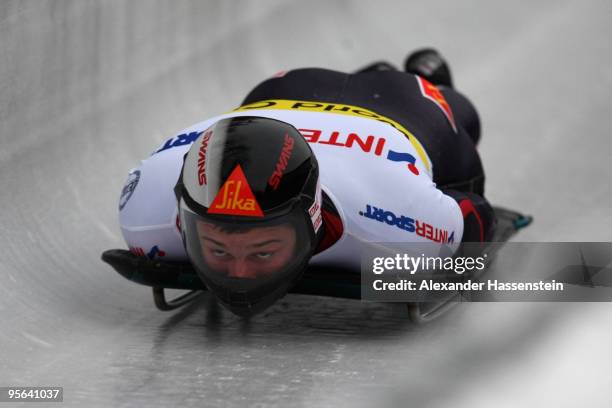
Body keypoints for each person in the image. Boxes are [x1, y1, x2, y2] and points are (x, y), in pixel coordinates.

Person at [118, 49, 496, 316]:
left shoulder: (398, 226)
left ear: (311, 217)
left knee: (465, 118)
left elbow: (478, 215)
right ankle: (379, 75)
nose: (238, 276)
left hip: (405, 105)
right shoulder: (146, 207)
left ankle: (426, 80)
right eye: (217, 250)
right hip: (280, 95)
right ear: (184, 218)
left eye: (262, 252)